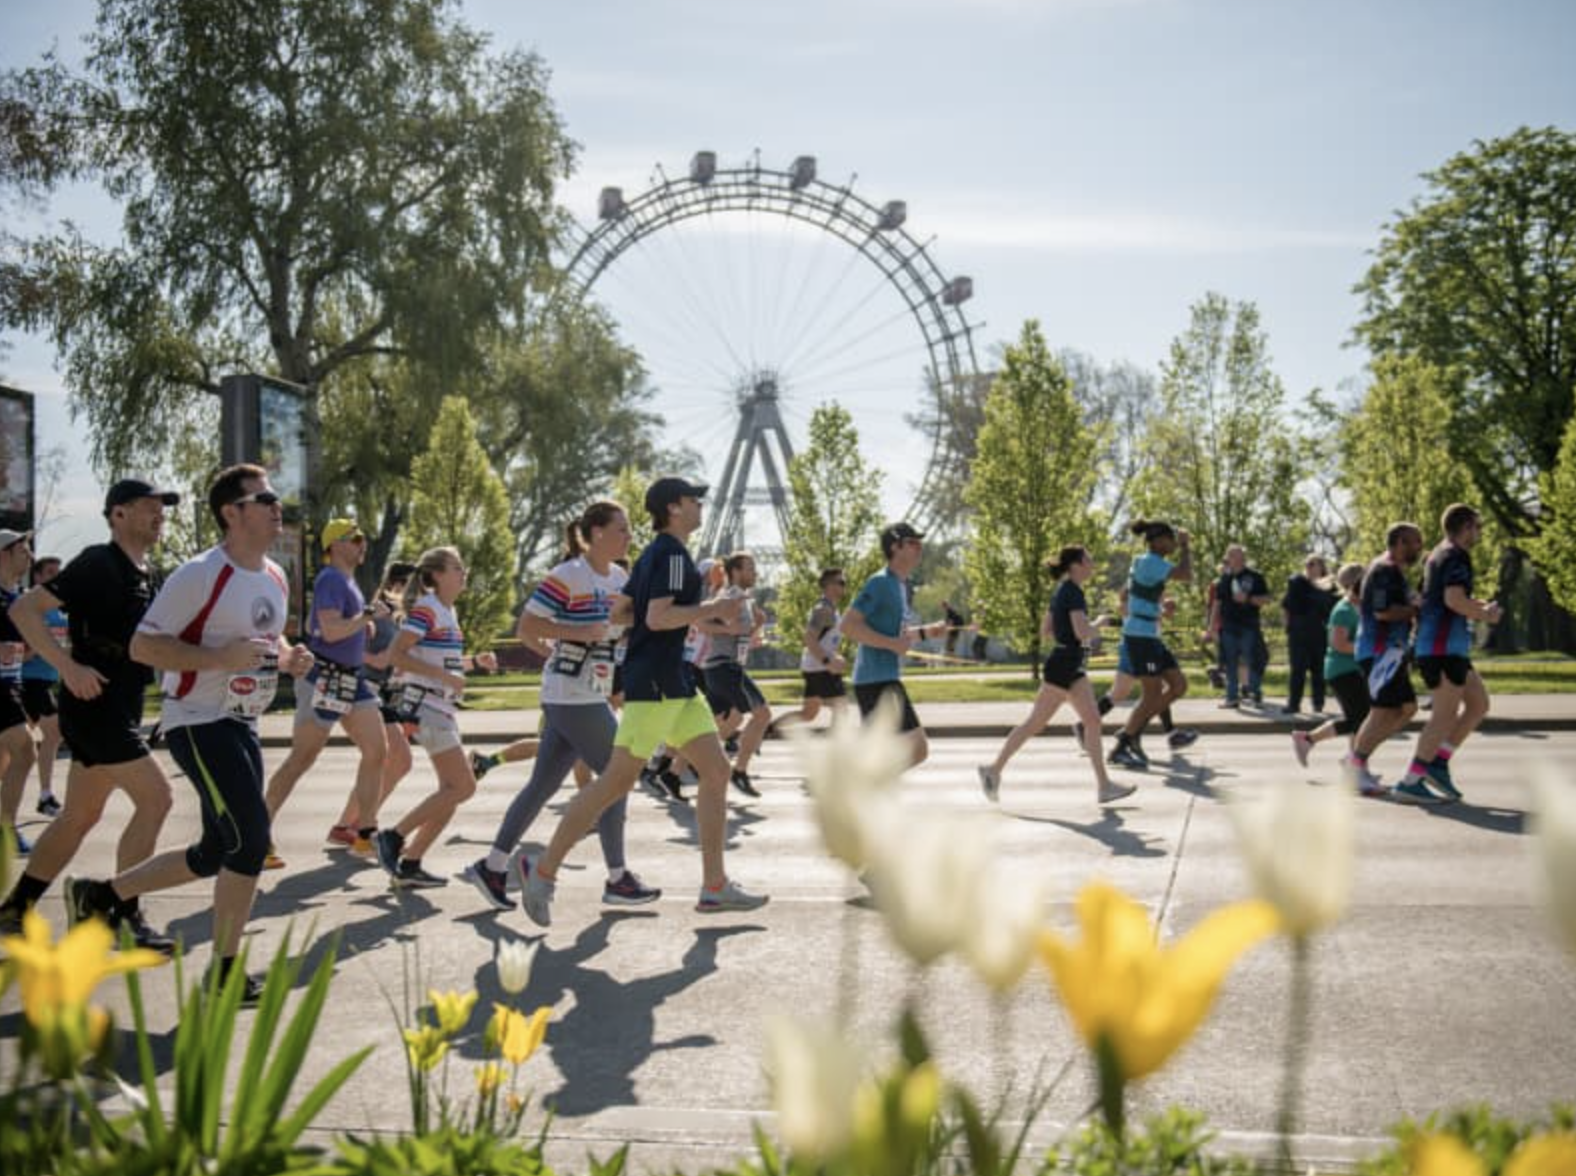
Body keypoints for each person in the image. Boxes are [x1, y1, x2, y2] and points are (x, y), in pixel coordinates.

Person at [66, 465, 315, 999]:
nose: (278, 507)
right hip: (198, 721)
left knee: (214, 849)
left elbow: (265, 644)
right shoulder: (199, 574)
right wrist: (217, 658)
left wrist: (290, 657)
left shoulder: (273, 575)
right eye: (265, 498)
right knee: (250, 842)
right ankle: (224, 975)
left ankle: (103, 896)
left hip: (241, 720)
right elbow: (143, 647)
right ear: (232, 512)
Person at [519, 476, 769, 926]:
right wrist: (714, 609)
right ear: (674, 508)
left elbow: (622, 612)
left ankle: (715, 887)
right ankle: (542, 871)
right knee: (613, 785)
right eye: (694, 500)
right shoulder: (671, 553)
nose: (699, 506)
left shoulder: (659, 554)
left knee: (715, 771)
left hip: (674, 683)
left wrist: (699, 608)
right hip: (655, 687)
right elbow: (658, 616)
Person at [0, 482, 180, 948]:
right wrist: (67, 667)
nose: (159, 513)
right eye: (148, 506)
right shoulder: (98, 562)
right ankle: (119, 913)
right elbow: (25, 609)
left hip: (123, 704)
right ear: (117, 514)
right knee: (157, 799)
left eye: (163, 507)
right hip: (95, 707)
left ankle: (14, 910)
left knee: (79, 816)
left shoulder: (149, 573)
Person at [464, 501, 659, 911]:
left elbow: (618, 632)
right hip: (570, 693)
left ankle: (494, 866)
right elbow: (528, 628)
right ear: (598, 533)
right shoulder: (568, 575)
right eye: (621, 529)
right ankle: (618, 877)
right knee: (618, 775)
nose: (629, 537)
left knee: (542, 786)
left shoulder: (620, 577)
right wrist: (574, 634)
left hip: (589, 691)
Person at [262, 518, 388, 864]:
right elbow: (331, 633)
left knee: (377, 750)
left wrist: (365, 623)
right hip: (323, 678)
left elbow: (344, 625)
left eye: (362, 538)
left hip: (351, 680)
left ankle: (365, 833)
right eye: (356, 538)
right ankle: (257, 834)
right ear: (335, 545)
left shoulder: (347, 581)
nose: (363, 543)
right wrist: (365, 616)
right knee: (302, 758)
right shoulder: (330, 578)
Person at [372, 546, 497, 887]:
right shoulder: (428, 608)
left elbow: (441, 663)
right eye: (457, 567)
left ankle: (411, 864)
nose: (464, 572)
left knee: (451, 790)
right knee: (463, 786)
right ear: (437, 575)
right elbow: (397, 655)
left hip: (441, 708)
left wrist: (473, 663)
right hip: (427, 707)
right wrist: (446, 678)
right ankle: (393, 837)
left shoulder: (446, 611)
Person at [978, 546, 1136, 806]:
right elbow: (1081, 632)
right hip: (1064, 667)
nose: (1092, 564)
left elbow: (1046, 630)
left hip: (1069, 664)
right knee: (1035, 724)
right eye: (1089, 560)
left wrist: (1075, 632)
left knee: (1093, 721)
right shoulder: (1072, 592)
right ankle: (992, 770)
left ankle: (1104, 786)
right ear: (1075, 565)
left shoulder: (1064, 591)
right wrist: (1099, 623)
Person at [1395, 504, 1501, 801]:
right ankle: (1411, 780)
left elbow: (1438, 599)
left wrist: (1480, 606)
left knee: (1478, 704)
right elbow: (1454, 599)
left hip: (1445, 647)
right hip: (1441, 648)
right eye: (1477, 527)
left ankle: (1438, 763)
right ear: (1465, 526)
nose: (1479, 533)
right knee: (1443, 716)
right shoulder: (1456, 556)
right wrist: (1486, 616)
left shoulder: (1437, 554)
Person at [841, 522, 948, 767]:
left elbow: (898, 636)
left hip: (880, 679)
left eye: (919, 542)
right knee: (917, 748)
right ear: (895, 547)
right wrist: (890, 643)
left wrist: (927, 632)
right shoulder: (879, 582)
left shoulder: (900, 585)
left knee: (885, 751)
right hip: (876, 680)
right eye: (912, 542)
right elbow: (848, 625)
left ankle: (855, 790)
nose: (919, 547)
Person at [335, 560, 417, 843]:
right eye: (412, 586)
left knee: (390, 761)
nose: (417, 593)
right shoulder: (379, 610)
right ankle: (360, 826)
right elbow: (347, 645)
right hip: (366, 691)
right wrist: (378, 659)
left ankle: (348, 825)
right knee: (393, 759)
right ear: (398, 584)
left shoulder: (401, 615)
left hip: (386, 694)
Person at [1344, 522, 1426, 800]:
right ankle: (1355, 766)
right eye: (1416, 542)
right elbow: (1382, 612)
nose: (1419, 547)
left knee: (1406, 708)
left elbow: (1357, 596)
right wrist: (1415, 609)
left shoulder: (1392, 572)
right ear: (1400, 542)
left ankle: (1357, 759)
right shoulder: (1383, 570)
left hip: (1392, 652)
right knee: (1382, 711)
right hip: (1379, 653)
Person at [1109, 520, 1193, 771]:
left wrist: (1158, 607)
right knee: (1151, 694)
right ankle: (1123, 743)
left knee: (1179, 685)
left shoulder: (1147, 562)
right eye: (1169, 539)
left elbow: (1130, 594)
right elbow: (1186, 575)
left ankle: (1132, 733)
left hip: (1150, 635)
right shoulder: (1150, 561)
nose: (1173, 544)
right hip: (1140, 637)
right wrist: (1186, 546)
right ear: (1156, 541)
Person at [699, 551, 771, 797]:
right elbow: (699, 623)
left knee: (725, 723)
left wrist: (756, 626)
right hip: (724, 667)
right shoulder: (729, 596)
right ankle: (739, 771)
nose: (756, 572)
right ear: (736, 572)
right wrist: (730, 628)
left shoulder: (745, 599)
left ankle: (675, 767)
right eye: (750, 568)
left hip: (726, 667)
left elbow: (741, 637)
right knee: (761, 715)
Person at [1290, 563, 1370, 769]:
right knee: (1360, 718)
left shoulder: (1358, 607)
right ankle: (1310, 741)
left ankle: (1350, 758)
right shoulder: (1344, 609)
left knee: (1359, 718)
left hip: (1352, 669)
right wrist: (1370, 648)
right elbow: (1339, 644)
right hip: (1342, 670)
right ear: (1356, 583)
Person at [0, 528, 38, 855]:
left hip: (12, 684)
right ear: (3, 554)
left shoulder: (19, 599)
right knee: (26, 752)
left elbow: (20, 651)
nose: (30, 557)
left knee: (6, 759)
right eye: (23, 550)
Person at [19, 556, 66, 818]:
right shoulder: (28, 606)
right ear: (36, 577)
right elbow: (20, 651)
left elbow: (62, 648)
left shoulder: (59, 610)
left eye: (58, 573)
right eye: (49, 573)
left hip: (47, 681)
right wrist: (36, 647)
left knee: (18, 747)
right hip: (27, 681)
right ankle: (45, 796)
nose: (55, 577)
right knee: (53, 731)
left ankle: (45, 796)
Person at [1214, 544, 1272, 708]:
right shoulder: (1223, 579)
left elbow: (1267, 599)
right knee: (1229, 663)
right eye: (1231, 555)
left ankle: (1254, 693)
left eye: (1237, 555)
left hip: (1249, 626)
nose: (1233, 558)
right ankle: (1231, 697)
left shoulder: (1255, 576)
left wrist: (1248, 599)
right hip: (1228, 627)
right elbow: (1217, 604)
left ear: (1243, 558)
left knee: (1254, 660)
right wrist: (1211, 627)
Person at [1282, 555, 1336, 716]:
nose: (1310, 567)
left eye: (1313, 564)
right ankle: (1293, 704)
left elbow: (1333, 610)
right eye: (1307, 564)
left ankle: (1318, 703)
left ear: (1321, 567)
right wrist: (1288, 628)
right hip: (1299, 633)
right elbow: (1286, 607)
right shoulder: (1297, 583)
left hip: (1320, 633)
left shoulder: (1329, 587)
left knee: (1319, 670)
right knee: (1297, 669)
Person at [795, 568, 849, 726]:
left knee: (808, 714)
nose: (844, 587)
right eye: (841, 583)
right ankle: (838, 748)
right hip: (820, 668)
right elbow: (809, 639)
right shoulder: (823, 610)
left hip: (817, 667)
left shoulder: (831, 609)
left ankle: (765, 730)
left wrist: (834, 657)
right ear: (829, 586)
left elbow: (824, 640)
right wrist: (828, 661)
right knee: (841, 708)